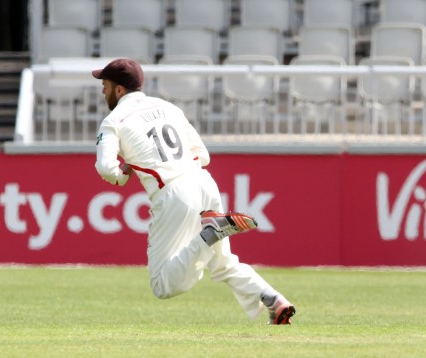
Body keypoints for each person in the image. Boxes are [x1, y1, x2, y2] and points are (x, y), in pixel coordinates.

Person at [92, 58, 295, 325]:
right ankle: (274, 301)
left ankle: (208, 234)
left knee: (162, 285)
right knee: (223, 263)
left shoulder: (113, 120)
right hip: (203, 182)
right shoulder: (168, 107)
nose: (102, 91)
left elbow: (106, 167)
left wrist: (121, 176)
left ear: (119, 90)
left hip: (173, 193)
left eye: (105, 85)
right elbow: (204, 155)